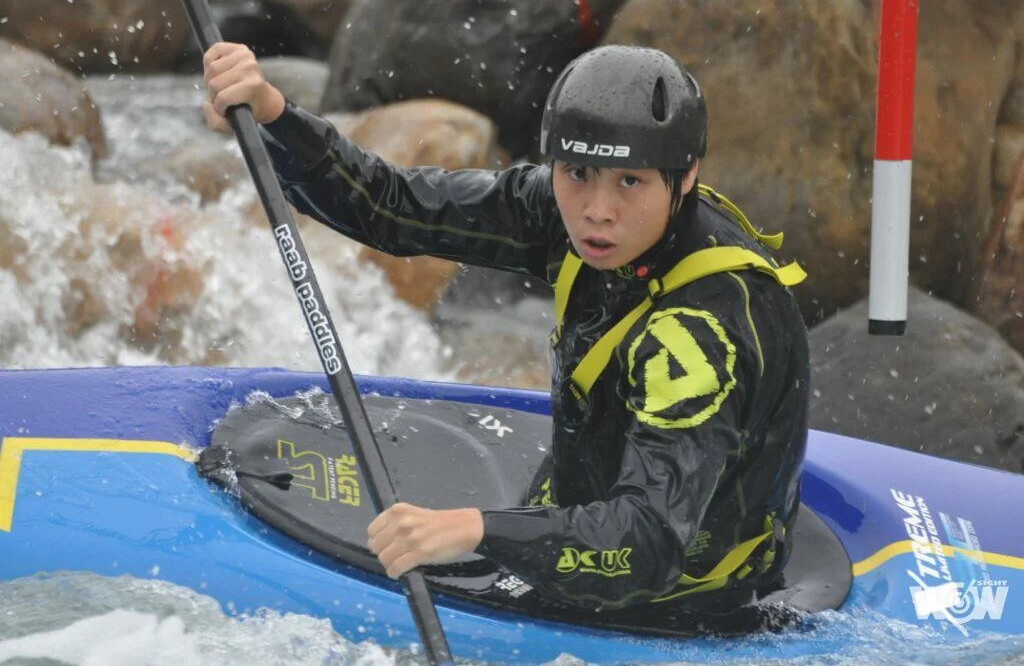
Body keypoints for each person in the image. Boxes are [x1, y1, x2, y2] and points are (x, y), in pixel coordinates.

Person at [202, 42, 811, 614]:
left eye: (631, 181)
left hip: (680, 584)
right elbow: (392, 207)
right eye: (577, 172)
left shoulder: (700, 339)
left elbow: (648, 544)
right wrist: (274, 115)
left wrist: (474, 530)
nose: (597, 210)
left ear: (687, 174)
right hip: (596, 498)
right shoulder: (563, 212)